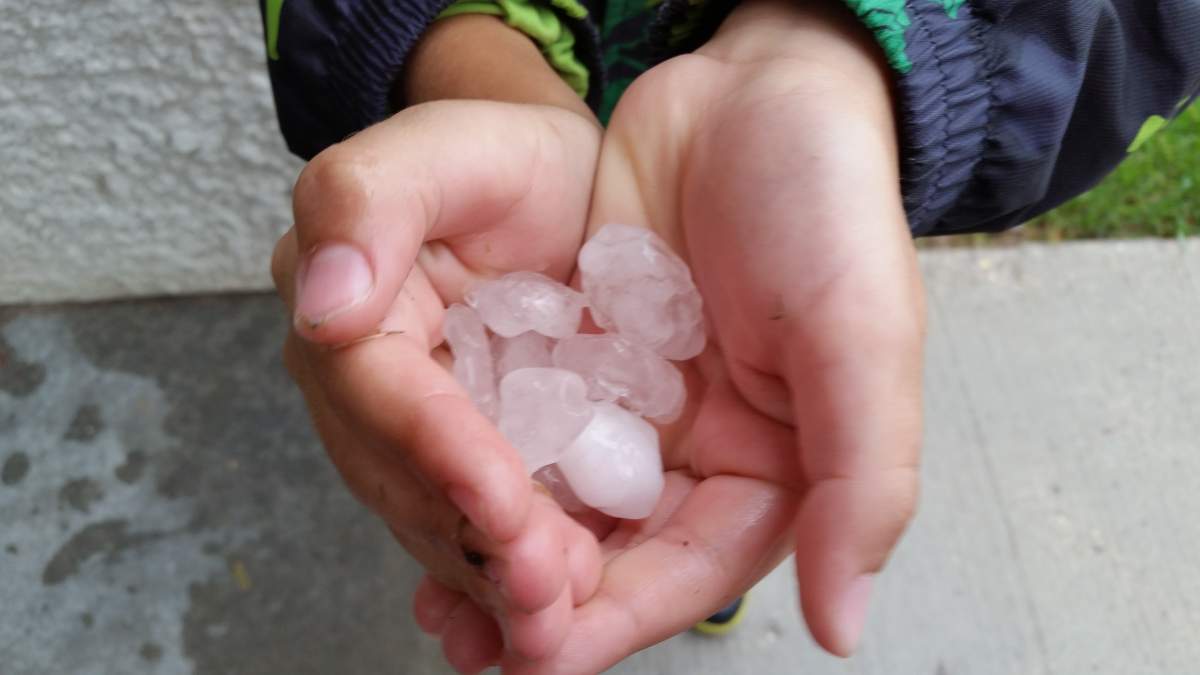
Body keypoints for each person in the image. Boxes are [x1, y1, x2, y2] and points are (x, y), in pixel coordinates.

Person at [259, 0, 1200, 672]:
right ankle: (686, 559)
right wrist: (470, 62)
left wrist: (839, 45)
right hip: (588, 198)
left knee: (737, 418)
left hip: (750, 234)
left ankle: (707, 578)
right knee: (602, 483)